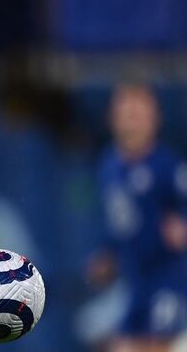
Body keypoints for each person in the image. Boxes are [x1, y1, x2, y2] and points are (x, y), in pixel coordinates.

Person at [86, 83, 187, 352]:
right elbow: (116, 223)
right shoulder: (108, 166)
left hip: (168, 279)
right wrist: (105, 254)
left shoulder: (168, 166)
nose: (132, 122)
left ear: (155, 120)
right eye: (126, 114)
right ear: (112, 118)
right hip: (133, 281)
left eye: (139, 114)